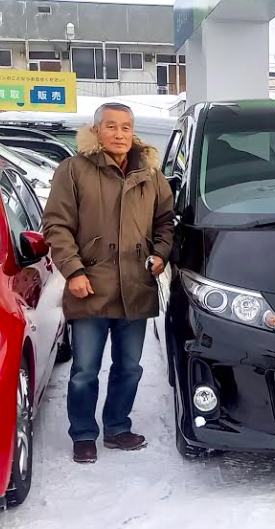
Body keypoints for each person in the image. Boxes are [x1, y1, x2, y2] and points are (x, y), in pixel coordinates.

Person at [43, 103, 174, 464]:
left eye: (126, 127)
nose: (119, 134)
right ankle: (83, 433)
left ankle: (117, 427)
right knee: (84, 370)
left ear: (133, 132)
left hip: (136, 284)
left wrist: (161, 253)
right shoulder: (74, 170)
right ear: (97, 130)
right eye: (111, 126)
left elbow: (166, 222)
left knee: (129, 367)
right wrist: (73, 271)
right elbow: (57, 225)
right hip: (90, 285)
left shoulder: (150, 173)